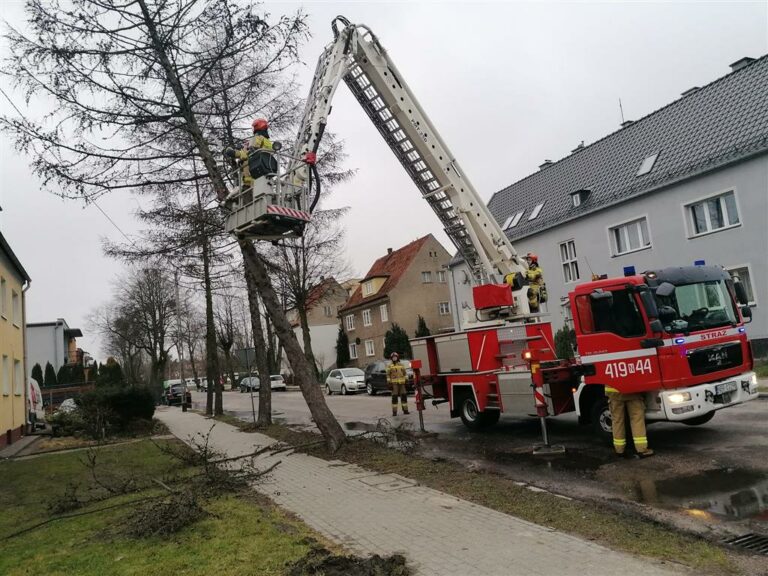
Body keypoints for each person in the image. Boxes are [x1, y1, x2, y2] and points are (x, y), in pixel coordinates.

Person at [224, 118, 277, 192]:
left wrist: (236, 154)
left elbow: (249, 150)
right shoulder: (267, 141)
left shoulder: (258, 138)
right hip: (265, 168)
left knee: (245, 160)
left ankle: (246, 182)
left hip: (255, 171)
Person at [605, 386, 654, 458]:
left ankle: (619, 450)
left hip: (614, 392)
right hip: (633, 392)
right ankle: (641, 449)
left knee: (617, 421)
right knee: (637, 420)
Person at [386, 352, 409, 417]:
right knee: (394, 398)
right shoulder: (390, 366)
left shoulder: (401, 365)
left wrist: (406, 380)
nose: (394, 358)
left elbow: (405, 373)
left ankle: (405, 410)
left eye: (395, 357)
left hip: (402, 384)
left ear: (397, 357)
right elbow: (388, 375)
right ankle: (394, 412)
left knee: (404, 396)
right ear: (391, 358)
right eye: (393, 357)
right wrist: (389, 383)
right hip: (394, 384)